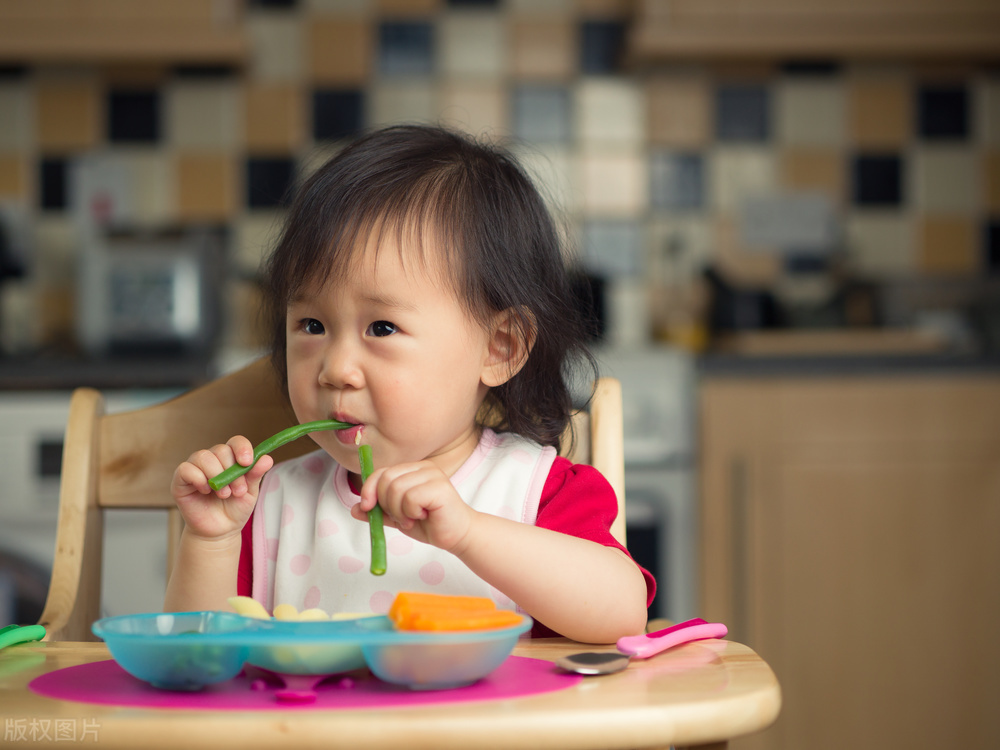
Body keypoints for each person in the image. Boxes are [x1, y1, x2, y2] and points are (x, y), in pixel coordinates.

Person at [164, 125, 653, 643]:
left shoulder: (534, 490)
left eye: (381, 328)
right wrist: (210, 541)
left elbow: (622, 615)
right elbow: (190, 653)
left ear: (500, 348)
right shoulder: (269, 506)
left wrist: (468, 532)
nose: (336, 369)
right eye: (312, 326)